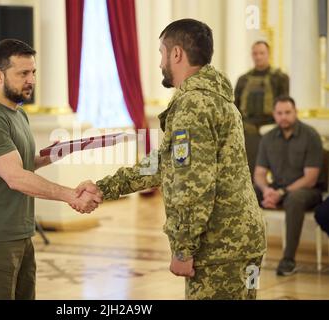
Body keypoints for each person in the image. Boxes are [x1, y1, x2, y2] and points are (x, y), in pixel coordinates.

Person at [75, 19, 266, 300]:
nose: (160, 62)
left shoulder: (193, 105)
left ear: (177, 54)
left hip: (220, 248)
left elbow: (193, 183)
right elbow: (164, 163)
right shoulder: (216, 97)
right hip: (242, 242)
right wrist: (104, 188)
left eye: (162, 53)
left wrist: (184, 248)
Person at [0, 39, 102, 300]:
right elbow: (15, 177)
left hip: (19, 233)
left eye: (33, 72)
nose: (31, 80)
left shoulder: (18, 113)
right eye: (23, 73)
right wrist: (71, 195)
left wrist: (55, 153)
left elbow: (23, 164)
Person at [254, 95, 324, 276]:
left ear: (295, 112)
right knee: (246, 193)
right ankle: (245, 256)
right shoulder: (268, 138)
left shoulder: (311, 136)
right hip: (276, 189)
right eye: (279, 113)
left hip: (307, 191)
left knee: (294, 199)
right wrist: (266, 190)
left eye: (287, 112)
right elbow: (259, 174)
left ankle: (288, 260)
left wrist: (281, 193)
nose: (283, 117)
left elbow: (311, 178)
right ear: (274, 115)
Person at [234, 41, 289, 178]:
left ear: (268, 54)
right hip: (249, 131)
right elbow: (235, 106)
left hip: (272, 129)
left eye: (261, 53)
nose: (258, 57)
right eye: (255, 53)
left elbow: (284, 105)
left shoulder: (280, 78)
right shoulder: (243, 79)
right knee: (249, 171)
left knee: (278, 171)